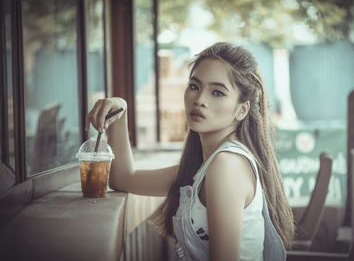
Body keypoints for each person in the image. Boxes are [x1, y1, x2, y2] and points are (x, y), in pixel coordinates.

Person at [86, 42, 294, 261]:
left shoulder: (227, 164)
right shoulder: (204, 166)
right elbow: (123, 179)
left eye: (217, 92)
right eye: (194, 86)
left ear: (241, 110)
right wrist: (120, 109)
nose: (200, 100)